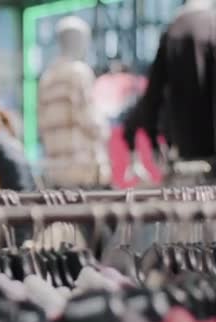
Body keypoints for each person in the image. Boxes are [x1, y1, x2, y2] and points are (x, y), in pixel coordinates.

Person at [123, 0, 216, 183]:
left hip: (186, 156)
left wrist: (153, 140)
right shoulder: (212, 26)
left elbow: (152, 94)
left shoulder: (173, 31)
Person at [37, 16, 111, 189]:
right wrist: (104, 126)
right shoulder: (79, 72)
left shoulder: (47, 77)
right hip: (83, 168)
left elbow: (42, 123)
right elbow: (90, 121)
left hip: (56, 170)